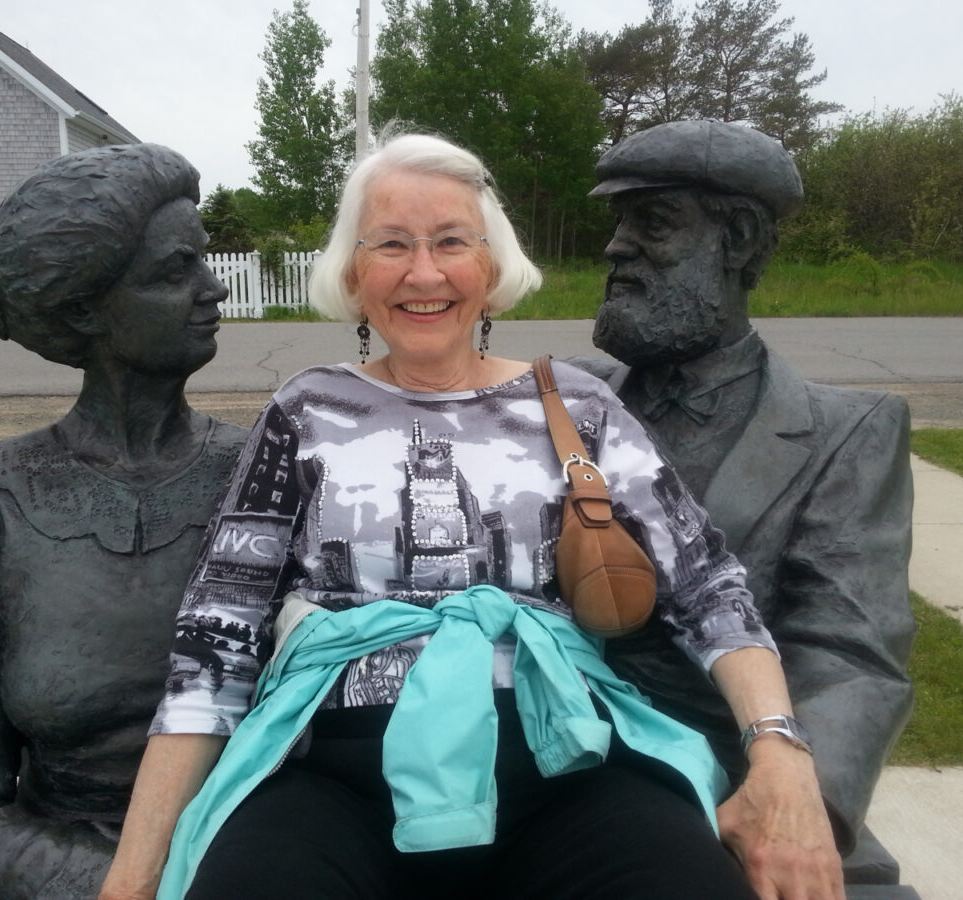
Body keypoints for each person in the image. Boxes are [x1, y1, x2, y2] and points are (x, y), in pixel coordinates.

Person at [101, 133, 843, 900]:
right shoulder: (306, 409)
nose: (424, 273)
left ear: (491, 267)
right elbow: (215, 638)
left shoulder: (579, 407)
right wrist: (133, 873)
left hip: (566, 760)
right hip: (335, 772)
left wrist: (780, 753)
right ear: (354, 275)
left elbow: (708, 589)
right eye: (391, 244)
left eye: (452, 241)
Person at [0, 144, 248, 900]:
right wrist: (137, 886)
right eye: (172, 270)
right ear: (85, 306)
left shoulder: (268, 472)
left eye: (204, 260)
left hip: (265, 855)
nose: (212, 289)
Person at [574, 119, 915, 858]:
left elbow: (850, 649)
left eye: (653, 223)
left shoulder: (848, 432)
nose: (616, 248)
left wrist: (804, 802)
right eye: (620, 223)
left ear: (738, 241)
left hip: (721, 777)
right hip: (537, 746)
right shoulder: (560, 396)